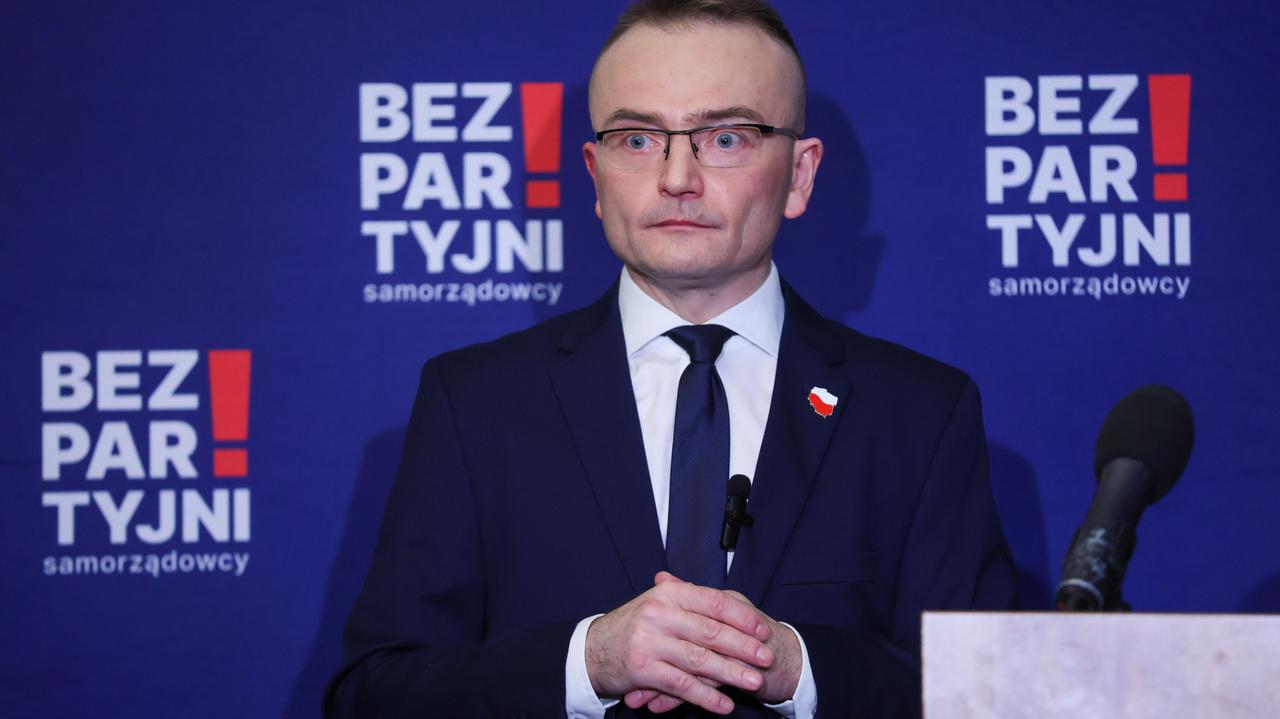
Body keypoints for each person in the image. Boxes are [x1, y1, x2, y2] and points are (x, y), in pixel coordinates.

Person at [325, 1, 1016, 717]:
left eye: (726, 137)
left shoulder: (919, 414)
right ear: (596, 175)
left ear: (800, 174)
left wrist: (797, 668)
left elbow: (988, 698)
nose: (677, 176)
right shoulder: (475, 403)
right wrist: (589, 661)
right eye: (637, 139)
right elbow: (372, 696)